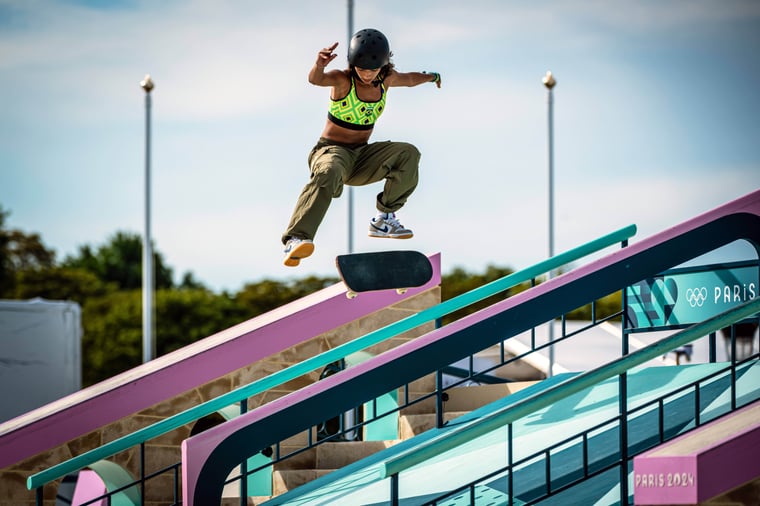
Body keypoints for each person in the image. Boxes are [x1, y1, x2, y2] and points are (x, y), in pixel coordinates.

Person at [281, 28, 441, 267]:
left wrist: (432, 77)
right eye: (362, 69)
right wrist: (319, 64)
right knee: (329, 170)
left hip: (361, 157)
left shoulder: (386, 80)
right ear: (353, 64)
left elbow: (409, 79)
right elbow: (316, 79)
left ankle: (384, 219)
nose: (366, 75)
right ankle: (296, 239)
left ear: (383, 66)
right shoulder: (342, 79)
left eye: (372, 70)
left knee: (408, 152)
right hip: (331, 151)